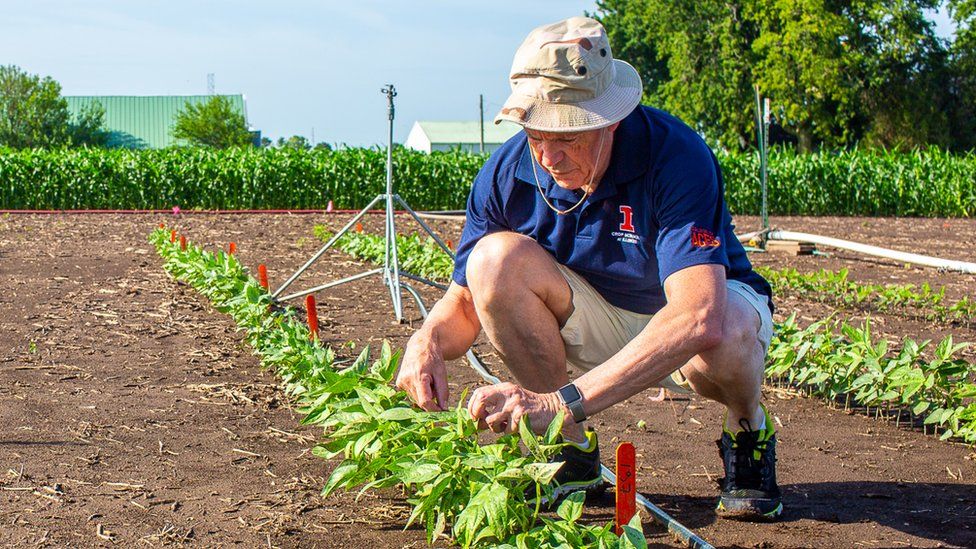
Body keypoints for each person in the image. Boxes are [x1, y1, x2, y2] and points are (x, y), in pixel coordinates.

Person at [395, 16, 781, 521]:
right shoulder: (507, 173)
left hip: (688, 318)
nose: (549, 156)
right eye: (536, 134)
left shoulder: (674, 156)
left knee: (726, 326)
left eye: (569, 136)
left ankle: (747, 429)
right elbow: (465, 303)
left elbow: (695, 315)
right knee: (492, 261)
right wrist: (425, 340)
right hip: (594, 316)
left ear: (609, 120)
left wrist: (560, 400)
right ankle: (569, 453)